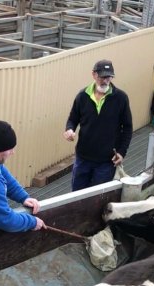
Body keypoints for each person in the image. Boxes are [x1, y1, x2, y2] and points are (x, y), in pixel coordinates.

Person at [63, 59, 133, 191]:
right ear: (94, 75)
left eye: (109, 77)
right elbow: (72, 119)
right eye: (102, 77)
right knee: (76, 197)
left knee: (97, 199)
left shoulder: (121, 98)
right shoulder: (82, 96)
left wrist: (122, 152)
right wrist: (69, 129)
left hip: (106, 161)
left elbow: (128, 128)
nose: (106, 80)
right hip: (83, 158)